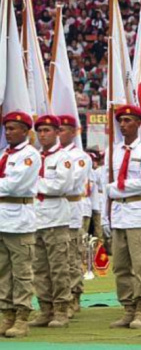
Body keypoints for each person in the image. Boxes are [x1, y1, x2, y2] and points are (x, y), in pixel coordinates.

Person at [102, 105, 141, 329]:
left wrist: (118, 188)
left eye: (128, 121)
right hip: (118, 213)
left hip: (138, 213)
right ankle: (128, 308)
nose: (123, 125)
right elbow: (104, 186)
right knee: (121, 266)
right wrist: (106, 216)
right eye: (121, 121)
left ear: (138, 123)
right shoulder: (112, 151)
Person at [29, 116, 73, 329]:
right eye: (40, 131)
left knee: (58, 267)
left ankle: (62, 309)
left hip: (56, 216)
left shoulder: (63, 157)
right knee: (39, 268)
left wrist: (33, 183)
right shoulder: (35, 156)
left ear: (57, 132)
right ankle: (45, 308)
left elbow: (61, 186)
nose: (43, 134)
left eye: (47, 130)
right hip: (36, 217)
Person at [0, 112, 41, 338]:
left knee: (22, 273)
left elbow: (15, 185)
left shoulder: (30, 155)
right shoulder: (4, 154)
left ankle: (22, 316)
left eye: (13, 128)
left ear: (25, 131)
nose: (8, 132)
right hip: (2, 218)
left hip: (19, 219)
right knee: (3, 272)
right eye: (7, 128)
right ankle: (7, 313)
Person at [58, 115, 92, 317]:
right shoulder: (48, 155)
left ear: (73, 132)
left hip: (70, 208)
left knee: (71, 257)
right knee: (55, 259)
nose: (59, 133)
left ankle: (73, 297)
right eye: (58, 128)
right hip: (50, 211)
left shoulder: (80, 157)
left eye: (63, 129)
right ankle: (57, 299)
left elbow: (71, 182)